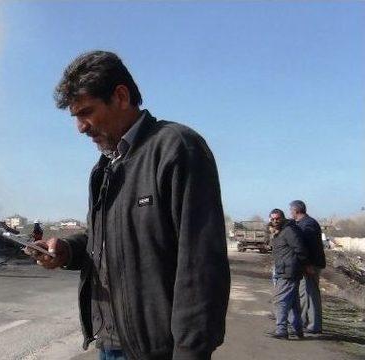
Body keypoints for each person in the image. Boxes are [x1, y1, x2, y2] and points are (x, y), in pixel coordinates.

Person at [27, 51, 230, 360]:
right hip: (110, 343)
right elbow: (107, 241)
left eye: (86, 113)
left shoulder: (175, 149)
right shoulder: (105, 167)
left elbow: (201, 265)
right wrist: (67, 250)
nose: (80, 127)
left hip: (156, 350)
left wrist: (190, 351)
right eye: (76, 117)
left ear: (121, 96)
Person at [268, 208, 310, 339]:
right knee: (293, 303)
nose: (275, 221)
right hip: (284, 269)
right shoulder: (278, 231)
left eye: (277, 218)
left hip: (288, 271)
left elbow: (300, 249)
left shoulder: (289, 231)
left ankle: (281, 330)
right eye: (272, 219)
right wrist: (273, 235)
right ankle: (298, 330)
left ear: (283, 218)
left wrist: (303, 265)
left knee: (280, 301)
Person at [289, 200, 325, 334]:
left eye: (291, 210)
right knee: (304, 294)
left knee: (312, 294)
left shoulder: (308, 224)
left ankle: (315, 325)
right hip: (307, 265)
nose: (290, 213)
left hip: (312, 265)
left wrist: (309, 264)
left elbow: (311, 247)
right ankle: (303, 322)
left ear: (296, 211)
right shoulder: (303, 223)